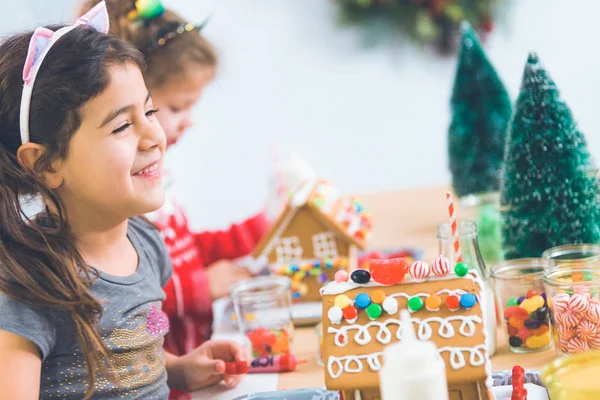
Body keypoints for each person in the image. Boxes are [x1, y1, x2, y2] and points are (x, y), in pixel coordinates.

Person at [0, 3, 246, 398]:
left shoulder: (147, 244)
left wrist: (180, 370)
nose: (154, 137)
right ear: (45, 163)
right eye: (122, 126)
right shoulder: (29, 283)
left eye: (150, 111)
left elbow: (137, 349)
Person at [76, 0, 270, 360]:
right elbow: (127, 302)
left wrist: (255, 231)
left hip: (183, 364)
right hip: (159, 369)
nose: (189, 121)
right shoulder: (119, 197)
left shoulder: (157, 183)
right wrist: (200, 289)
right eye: (177, 107)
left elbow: (177, 253)